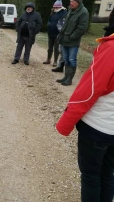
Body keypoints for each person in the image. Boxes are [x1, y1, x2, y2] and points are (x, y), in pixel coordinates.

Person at [56, 32, 114, 202]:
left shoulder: (111, 48)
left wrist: (66, 122)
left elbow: (89, 90)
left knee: (91, 177)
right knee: (108, 173)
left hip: (98, 126)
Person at [56, 0, 89, 86]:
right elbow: (65, 23)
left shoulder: (83, 12)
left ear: (78, 2)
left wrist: (71, 37)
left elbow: (82, 28)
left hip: (73, 41)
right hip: (64, 39)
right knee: (66, 59)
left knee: (72, 59)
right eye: (70, 1)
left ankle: (69, 79)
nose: (70, 3)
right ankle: (65, 77)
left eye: (72, 1)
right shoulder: (70, 9)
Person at [43, 0, 67, 67]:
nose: (55, 8)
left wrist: (60, 30)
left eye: (57, 7)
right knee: (49, 47)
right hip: (50, 32)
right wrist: (48, 24)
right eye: (55, 7)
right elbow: (50, 20)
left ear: (60, 6)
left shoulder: (64, 12)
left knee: (56, 48)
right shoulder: (53, 12)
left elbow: (63, 23)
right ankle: (48, 59)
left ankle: (55, 61)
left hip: (57, 33)